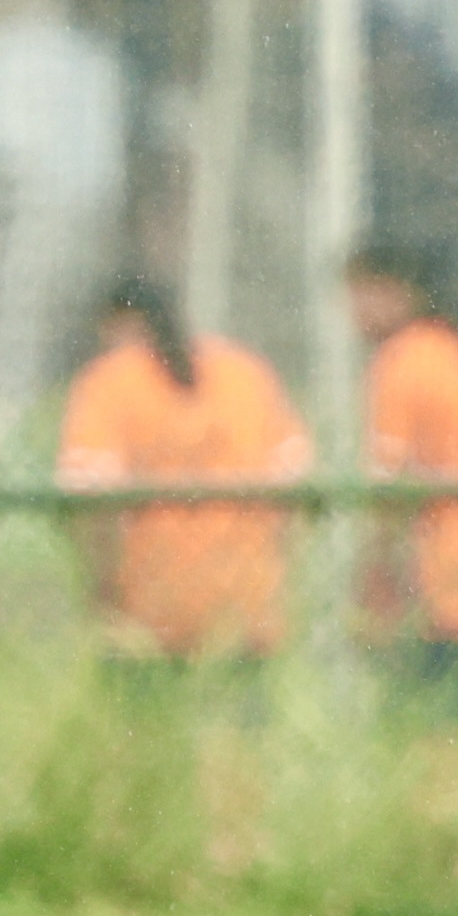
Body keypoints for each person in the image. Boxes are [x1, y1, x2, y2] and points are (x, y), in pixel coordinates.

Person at [57, 276, 309, 680]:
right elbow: (293, 488)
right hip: (245, 606)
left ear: (115, 325)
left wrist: (103, 591)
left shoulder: (109, 381)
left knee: (147, 718)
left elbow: (95, 501)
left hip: (151, 610)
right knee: (238, 717)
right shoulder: (244, 372)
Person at [344, 241, 458, 723]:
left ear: (398, 291)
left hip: (439, 591)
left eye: (361, 294)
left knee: (425, 737)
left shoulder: (402, 360)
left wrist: (374, 585)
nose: (353, 314)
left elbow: (390, 489)